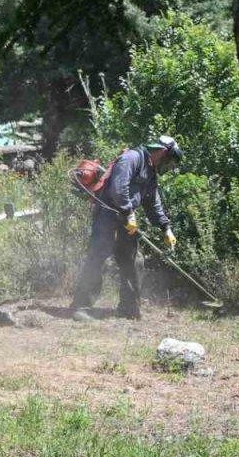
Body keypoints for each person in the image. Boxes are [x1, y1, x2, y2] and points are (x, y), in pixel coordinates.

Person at [71, 135, 182, 319]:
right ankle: (81, 307)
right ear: (162, 152)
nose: (169, 165)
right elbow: (118, 188)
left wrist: (165, 227)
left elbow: (153, 203)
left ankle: (129, 308)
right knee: (99, 257)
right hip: (107, 213)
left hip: (126, 218)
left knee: (134, 261)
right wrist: (129, 213)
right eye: (170, 160)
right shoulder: (131, 158)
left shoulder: (150, 171)